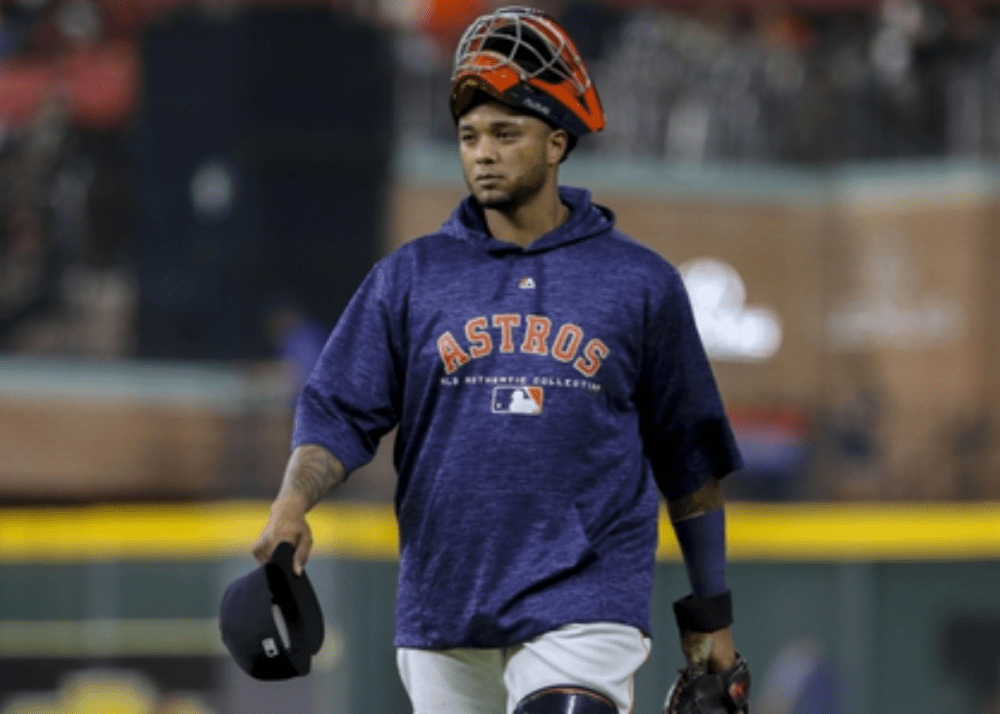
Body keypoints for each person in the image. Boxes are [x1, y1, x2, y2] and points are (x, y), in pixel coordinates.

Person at [252, 7, 746, 714]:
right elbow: (337, 412)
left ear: (557, 142)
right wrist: (291, 504)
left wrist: (710, 619)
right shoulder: (409, 278)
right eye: (469, 135)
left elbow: (690, 460)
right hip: (444, 610)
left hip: (585, 603)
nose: (482, 152)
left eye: (505, 134)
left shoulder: (639, 283)